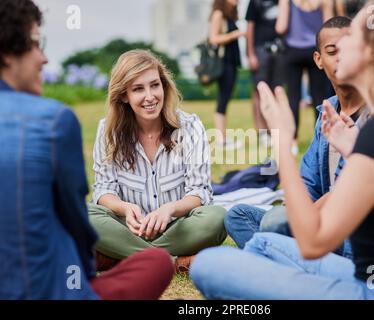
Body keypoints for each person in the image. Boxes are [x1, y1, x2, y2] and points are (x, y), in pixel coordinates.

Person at [191, 0, 374, 300]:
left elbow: (314, 242)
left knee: (210, 265)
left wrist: (282, 143)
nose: (341, 44)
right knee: (263, 244)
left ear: (372, 54)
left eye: (352, 36)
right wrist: (354, 152)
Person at [0, 0, 173, 300]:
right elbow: (78, 226)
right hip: (47, 288)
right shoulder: (53, 121)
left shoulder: (188, 127)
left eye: (154, 85)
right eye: (35, 44)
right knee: (156, 263)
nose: (43, 58)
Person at [225, 16, 368, 257]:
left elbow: (348, 193)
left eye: (349, 49)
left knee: (275, 223)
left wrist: (302, 218)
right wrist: (299, 215)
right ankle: (294, 262)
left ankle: (283, 261)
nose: (341, 57)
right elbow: (308, 181)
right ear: (319, 60)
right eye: (332, 51)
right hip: (317, 226)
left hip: (354, 232)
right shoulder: (327, 110)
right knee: (238, 215)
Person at [88, 49, 227, 272]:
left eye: (155, 85)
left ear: (164, 86)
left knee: (217, 218)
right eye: (138, 89)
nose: (150, 96)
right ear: (124, 95)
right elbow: (103, 190)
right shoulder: (108, 131)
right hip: (129, 228)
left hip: (179, 227)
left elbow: (200, 192)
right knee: (83, 215)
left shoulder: (190, 127)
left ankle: (125, 254)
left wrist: (169, 210)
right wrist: (124, 208)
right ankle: (170, 262)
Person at [276, 0, 334, 153]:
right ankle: (322, 139)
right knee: (319, 97)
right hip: (315, 51)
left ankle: (293, 141)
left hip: (292, 51)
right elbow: (329, 28)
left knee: (293, 98)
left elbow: (280, 27)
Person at [245, 0, 285, 144]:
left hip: (280, 49)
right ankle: (262, 132)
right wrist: (250, 54)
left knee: (277, 90)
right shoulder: (255, 2)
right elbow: (249, 27)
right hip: (260, 49)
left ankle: (274, 130)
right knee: (258, 91)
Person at [209, 0, 246, 149]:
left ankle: (222, 138)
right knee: (222, 99)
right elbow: (213, 38)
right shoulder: (219, 14)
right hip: (223, 64)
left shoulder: (230, 15)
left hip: (231, 63)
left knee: (225, 99)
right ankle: (221, 140)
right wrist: (235, 34)